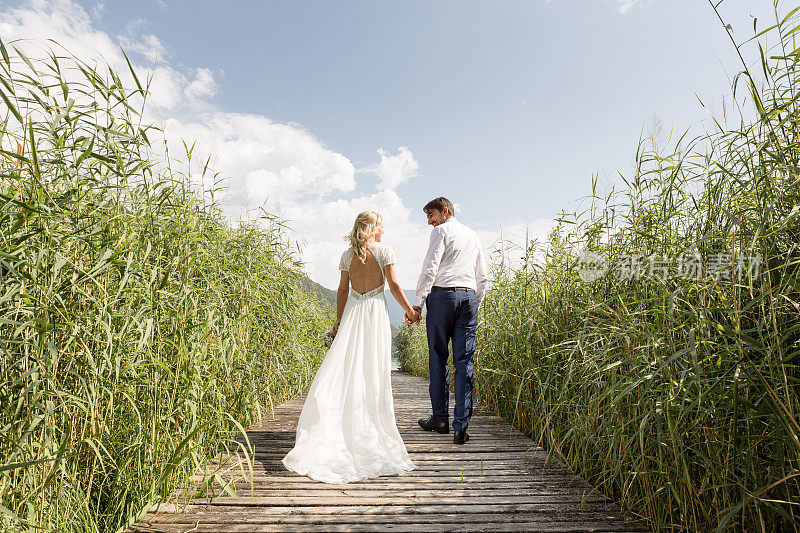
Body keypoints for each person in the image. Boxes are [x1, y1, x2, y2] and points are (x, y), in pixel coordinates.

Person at [282, 210, 418, 483]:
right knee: (373, 369)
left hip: (354, 313)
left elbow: (342, 291)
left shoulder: (347, 255)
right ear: (373, 228)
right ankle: (368, 424)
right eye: (381, 226)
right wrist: (410, 311)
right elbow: (393, 285)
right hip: (375, 315)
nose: (384, 231)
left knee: (346, 368)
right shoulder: (385, 252)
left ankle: (341, 422)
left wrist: (338, 323)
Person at [406, 197, 488, 445]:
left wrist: (418, 303)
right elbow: (482, 277)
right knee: (464, 363)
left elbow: (430, 267)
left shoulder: (441, 231)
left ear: (444, 211)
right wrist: (475, 304)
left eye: (431, 215)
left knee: (438, 357)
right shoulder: (473, 235)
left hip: (442, 296)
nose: (430, 222)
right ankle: (460, 428)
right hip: (468, 297)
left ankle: (440, 419)